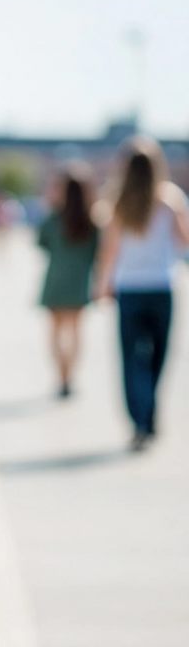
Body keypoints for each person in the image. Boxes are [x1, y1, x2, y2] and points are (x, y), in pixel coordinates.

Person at [95, 136, 189, 450]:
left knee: (131, 358)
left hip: (130, 288)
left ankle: (140, 417)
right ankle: (148, 412)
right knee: (158, 356)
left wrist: (102, 285)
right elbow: (184, 241)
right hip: (161, 286)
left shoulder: (117, 201)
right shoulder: (170, 199)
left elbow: (109, 251)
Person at [36, 163, 99, 397]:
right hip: (79, 284)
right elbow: (98, 254)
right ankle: (69, 376)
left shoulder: (54, 219)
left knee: (55, 332)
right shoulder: (93, 222)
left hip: (56, 282)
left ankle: (60, 376)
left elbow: (41, 243)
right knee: (75, 333)